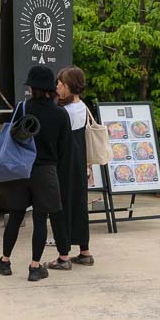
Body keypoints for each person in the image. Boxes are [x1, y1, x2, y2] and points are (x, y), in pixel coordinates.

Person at [0, 66, 71, 282]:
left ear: (33, 88)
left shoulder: (23, 107)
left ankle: (5, 261)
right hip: (46, 172)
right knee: (40, 219)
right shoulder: (61, 114)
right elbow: (64, 150)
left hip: (21, 169)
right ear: (50, 88)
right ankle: (35, 267)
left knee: (15, 217)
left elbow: (12, 134)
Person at [46, 66, 94, 270]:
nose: (57, 86)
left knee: (60, 209)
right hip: (80, 165)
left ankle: (63, 256)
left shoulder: (63, 112)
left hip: (63, 167)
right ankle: (84, 252)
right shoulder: (83, 107)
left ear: (69, 86)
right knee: (79, 206)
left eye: (60, 83)